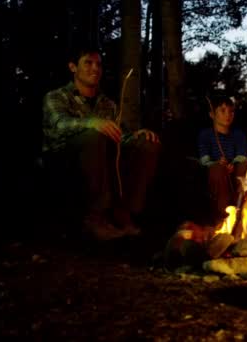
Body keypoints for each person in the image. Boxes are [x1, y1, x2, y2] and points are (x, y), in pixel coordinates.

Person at [42, 45, 161, 240]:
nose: (95, 68)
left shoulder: (108, 104)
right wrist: (91, 123)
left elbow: (117, 137)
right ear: (73, 67)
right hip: (63, 156)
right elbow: (58, 125)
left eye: (98, 64)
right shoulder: (56, 97)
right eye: (88, 63)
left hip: (100, 157)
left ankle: (124, 212)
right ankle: (95, 216)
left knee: (147, 143)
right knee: (94, 135)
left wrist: (136, 136)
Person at [198, 96, 247, 222]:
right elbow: (204, 159)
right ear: (212, 114)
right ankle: (223, 217)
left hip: (235, 171)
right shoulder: (206, 135)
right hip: (216, 172)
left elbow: (242, 154)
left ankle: (244, 211)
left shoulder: (238, 134)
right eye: (222, 110)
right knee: (218, 170)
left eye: (231, 111)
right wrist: (216, 163)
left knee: (245, 165)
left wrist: (234, 163)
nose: (228, 115)